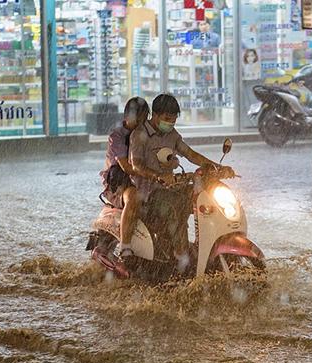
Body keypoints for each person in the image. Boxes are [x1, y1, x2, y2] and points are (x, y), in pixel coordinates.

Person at [129, 93, 233, 272]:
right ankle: (181, 257)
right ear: (155, 115)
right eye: (167, 119)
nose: (170, 123)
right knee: (175, 206)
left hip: (170, 188)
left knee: (202, 197)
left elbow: (190, 154)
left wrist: (217, 168)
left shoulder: (172, 135)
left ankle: (204, 247)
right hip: (148, 194)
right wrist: (157, 176)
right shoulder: (139, 135)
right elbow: (136, 165)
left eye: (174, 120)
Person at [99, 97, 150, 271]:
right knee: (134, 198)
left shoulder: (149, 134)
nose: (141, 123)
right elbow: (126, 167)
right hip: (120, 183)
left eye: (144, 118)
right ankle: (125, 247)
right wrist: (154, 174)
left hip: (144, 181)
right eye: (138, 118)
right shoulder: (117, 135)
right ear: (127, 116)